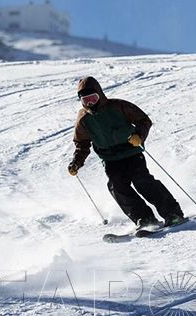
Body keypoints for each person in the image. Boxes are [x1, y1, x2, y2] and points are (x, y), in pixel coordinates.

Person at [68, 76, 186, 229]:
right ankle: (145, 219)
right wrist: (76, 163)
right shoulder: (83, 119)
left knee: (142, 180)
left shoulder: (118, 106)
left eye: (93, 98)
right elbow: (82, 144)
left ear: (100, 94)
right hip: (110, 158)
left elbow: (144, 121)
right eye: (85, 100)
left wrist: (139, 136)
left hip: (131, 152)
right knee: (116, 186)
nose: (90, 103)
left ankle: (172, 214)